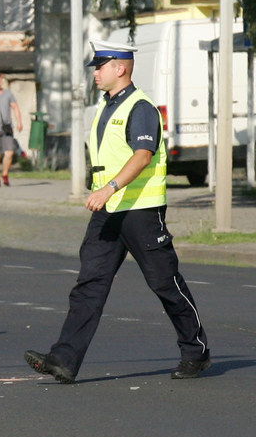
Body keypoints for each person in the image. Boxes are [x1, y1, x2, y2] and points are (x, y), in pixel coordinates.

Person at [25, 40, 209, 383]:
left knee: (165, 284)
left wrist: (109, 187)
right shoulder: (106, 106)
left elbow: (142, 155)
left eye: (100, 66)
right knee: (89, 284)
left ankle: (195, 352)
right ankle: (64, 360)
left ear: (120, 68)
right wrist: (105, 193)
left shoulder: (141, 108)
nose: (95, 72)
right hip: (109, 212)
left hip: (140, 211)